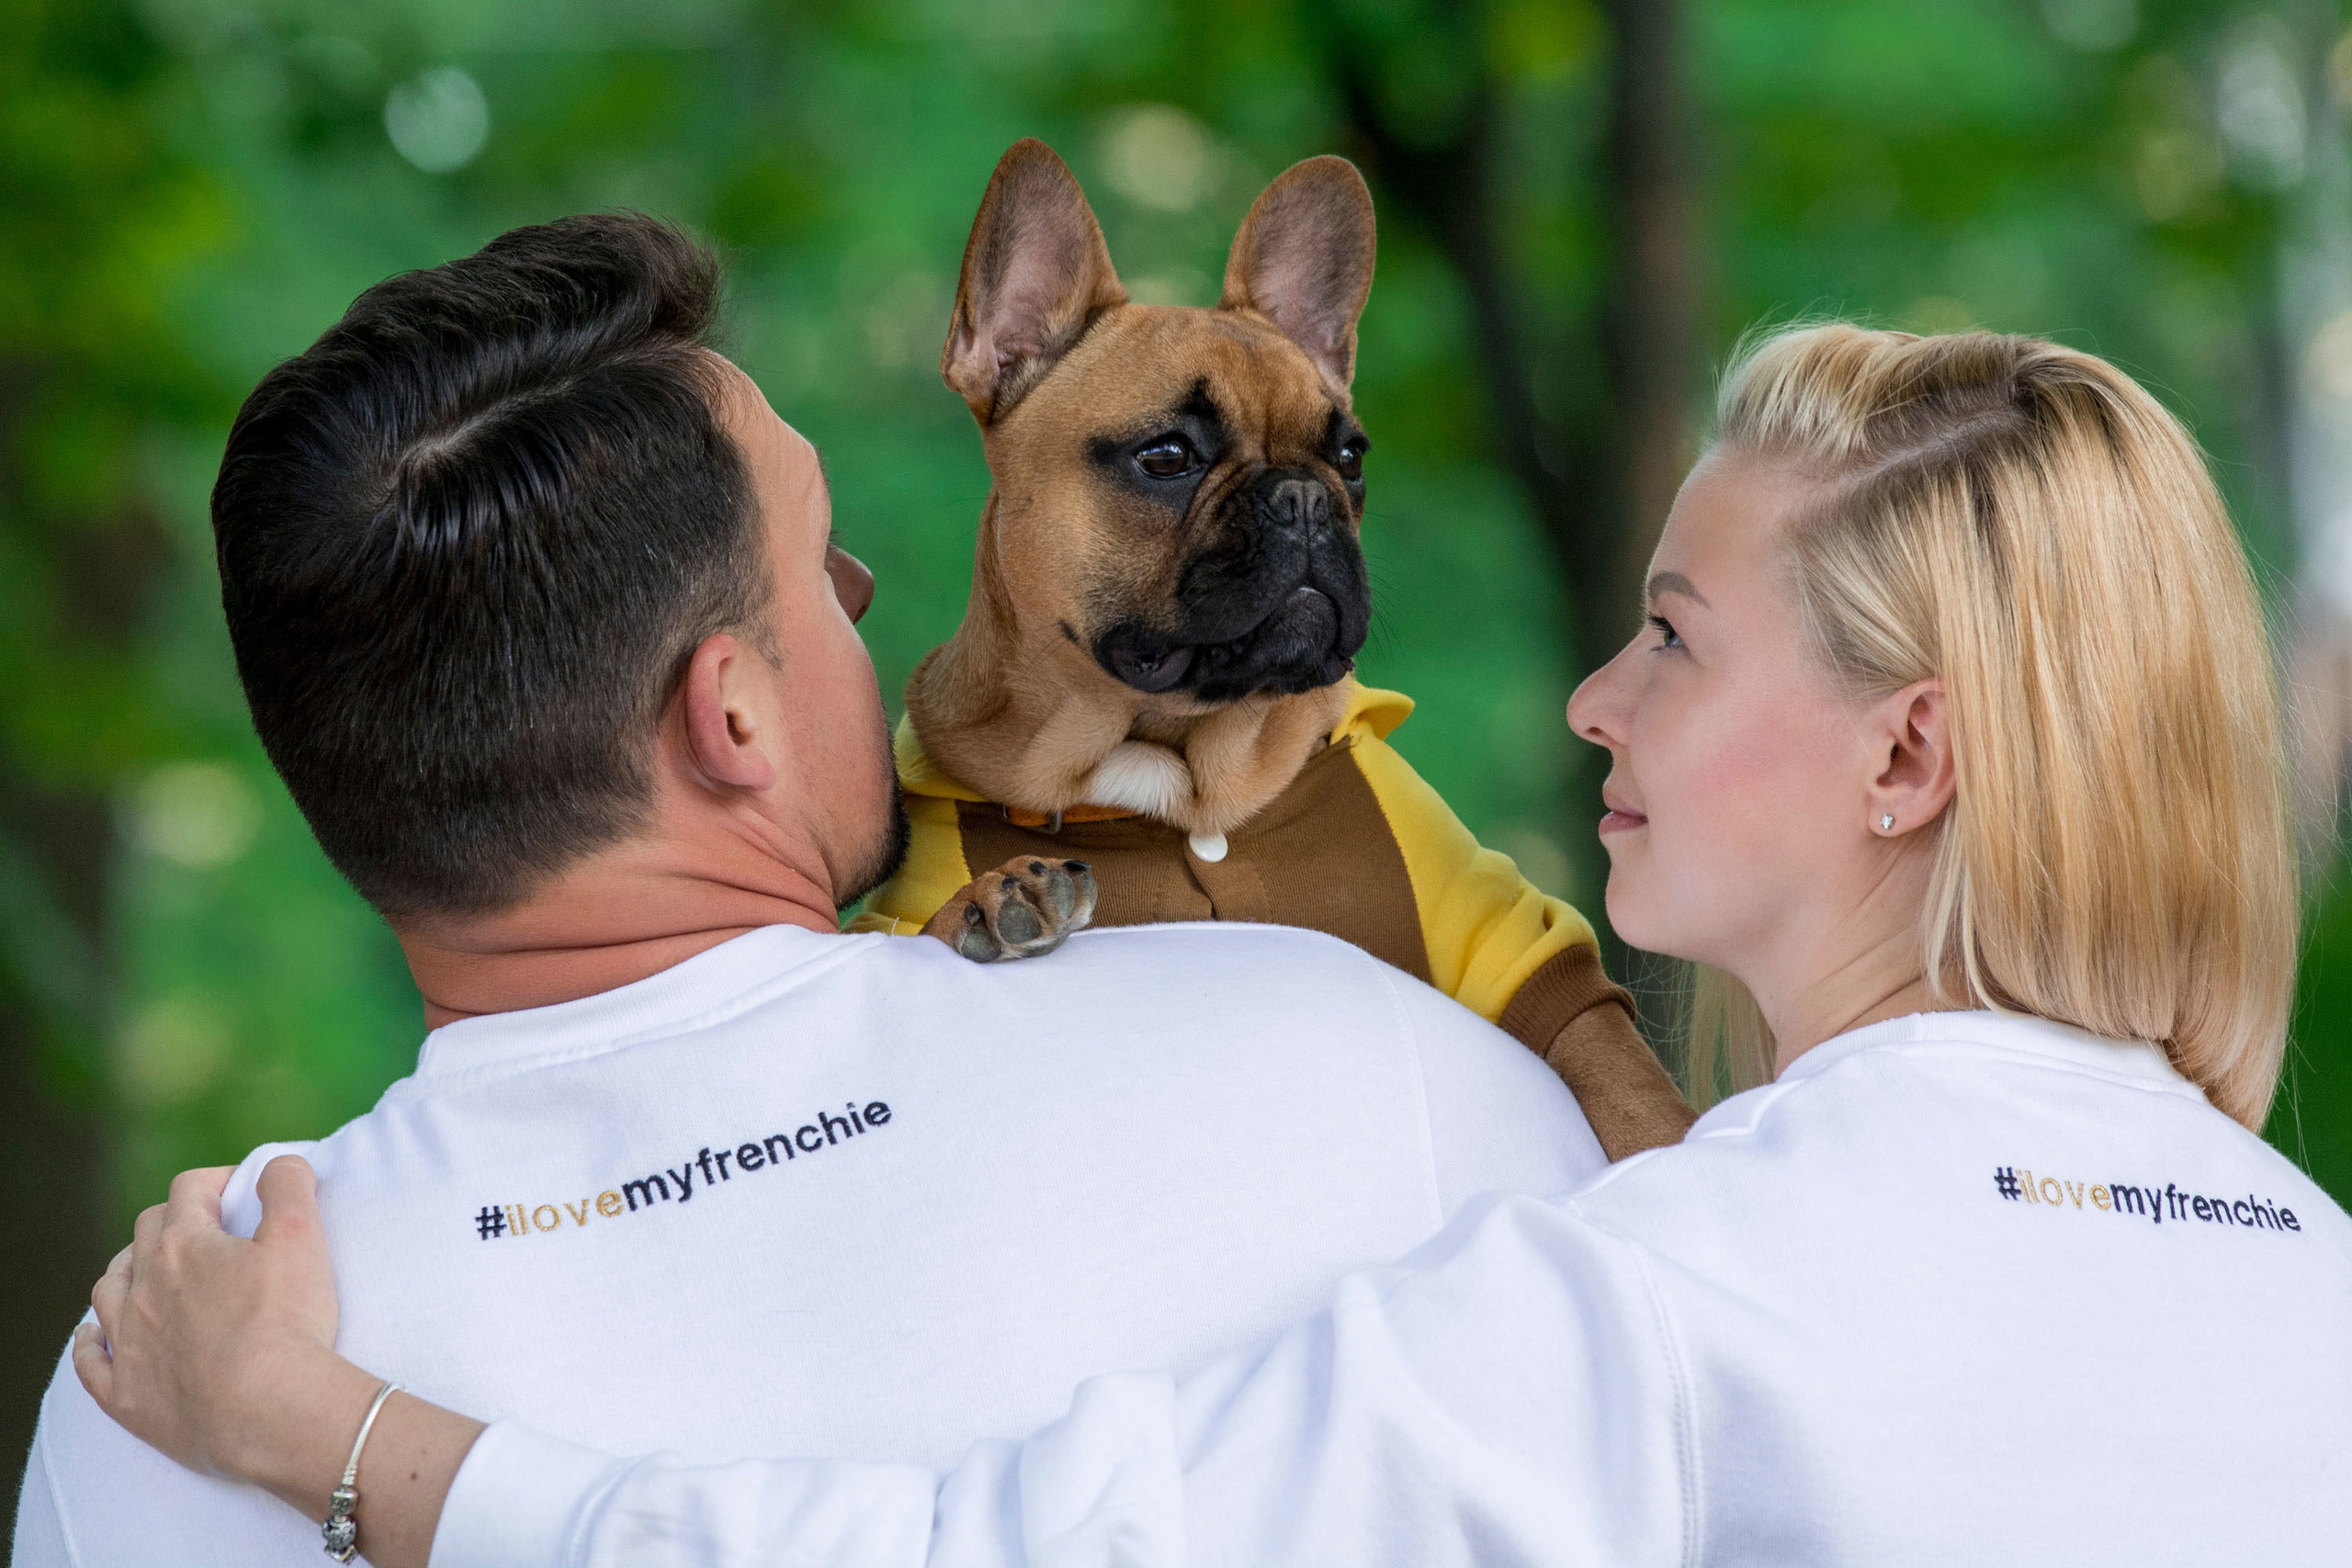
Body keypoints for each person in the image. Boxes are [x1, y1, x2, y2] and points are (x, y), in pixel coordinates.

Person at [75, 322, 2352, 1566]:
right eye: (823, 560)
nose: (1579, 702)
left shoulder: (1652, 1286)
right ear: (732, 709)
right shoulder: (2306, 1271)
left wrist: (328, 1422)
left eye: (1666, 637)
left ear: (1909, 759)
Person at [11, 213, 1613, 1567]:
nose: (872, 607)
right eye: (831, 570)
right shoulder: (1360, 1055)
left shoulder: (161, 1368)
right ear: (733, 715)